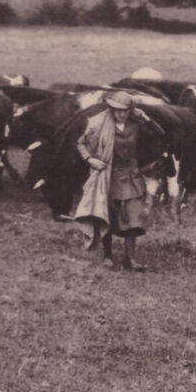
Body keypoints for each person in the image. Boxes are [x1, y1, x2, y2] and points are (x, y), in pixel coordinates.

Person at [73, 90, 150, 271]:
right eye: (117, 110)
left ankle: (130, 258)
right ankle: (107, 256)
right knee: (106, 214)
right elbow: (81, 143)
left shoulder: (136, 124)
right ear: (111, 109)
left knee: (133, 216)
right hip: (108, 176)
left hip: (132, 176)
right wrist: (90, 159)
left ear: (131, 110)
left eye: (125, 110)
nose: (121, 114)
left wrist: (146, 118)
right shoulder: (99, 123)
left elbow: (159, 135)